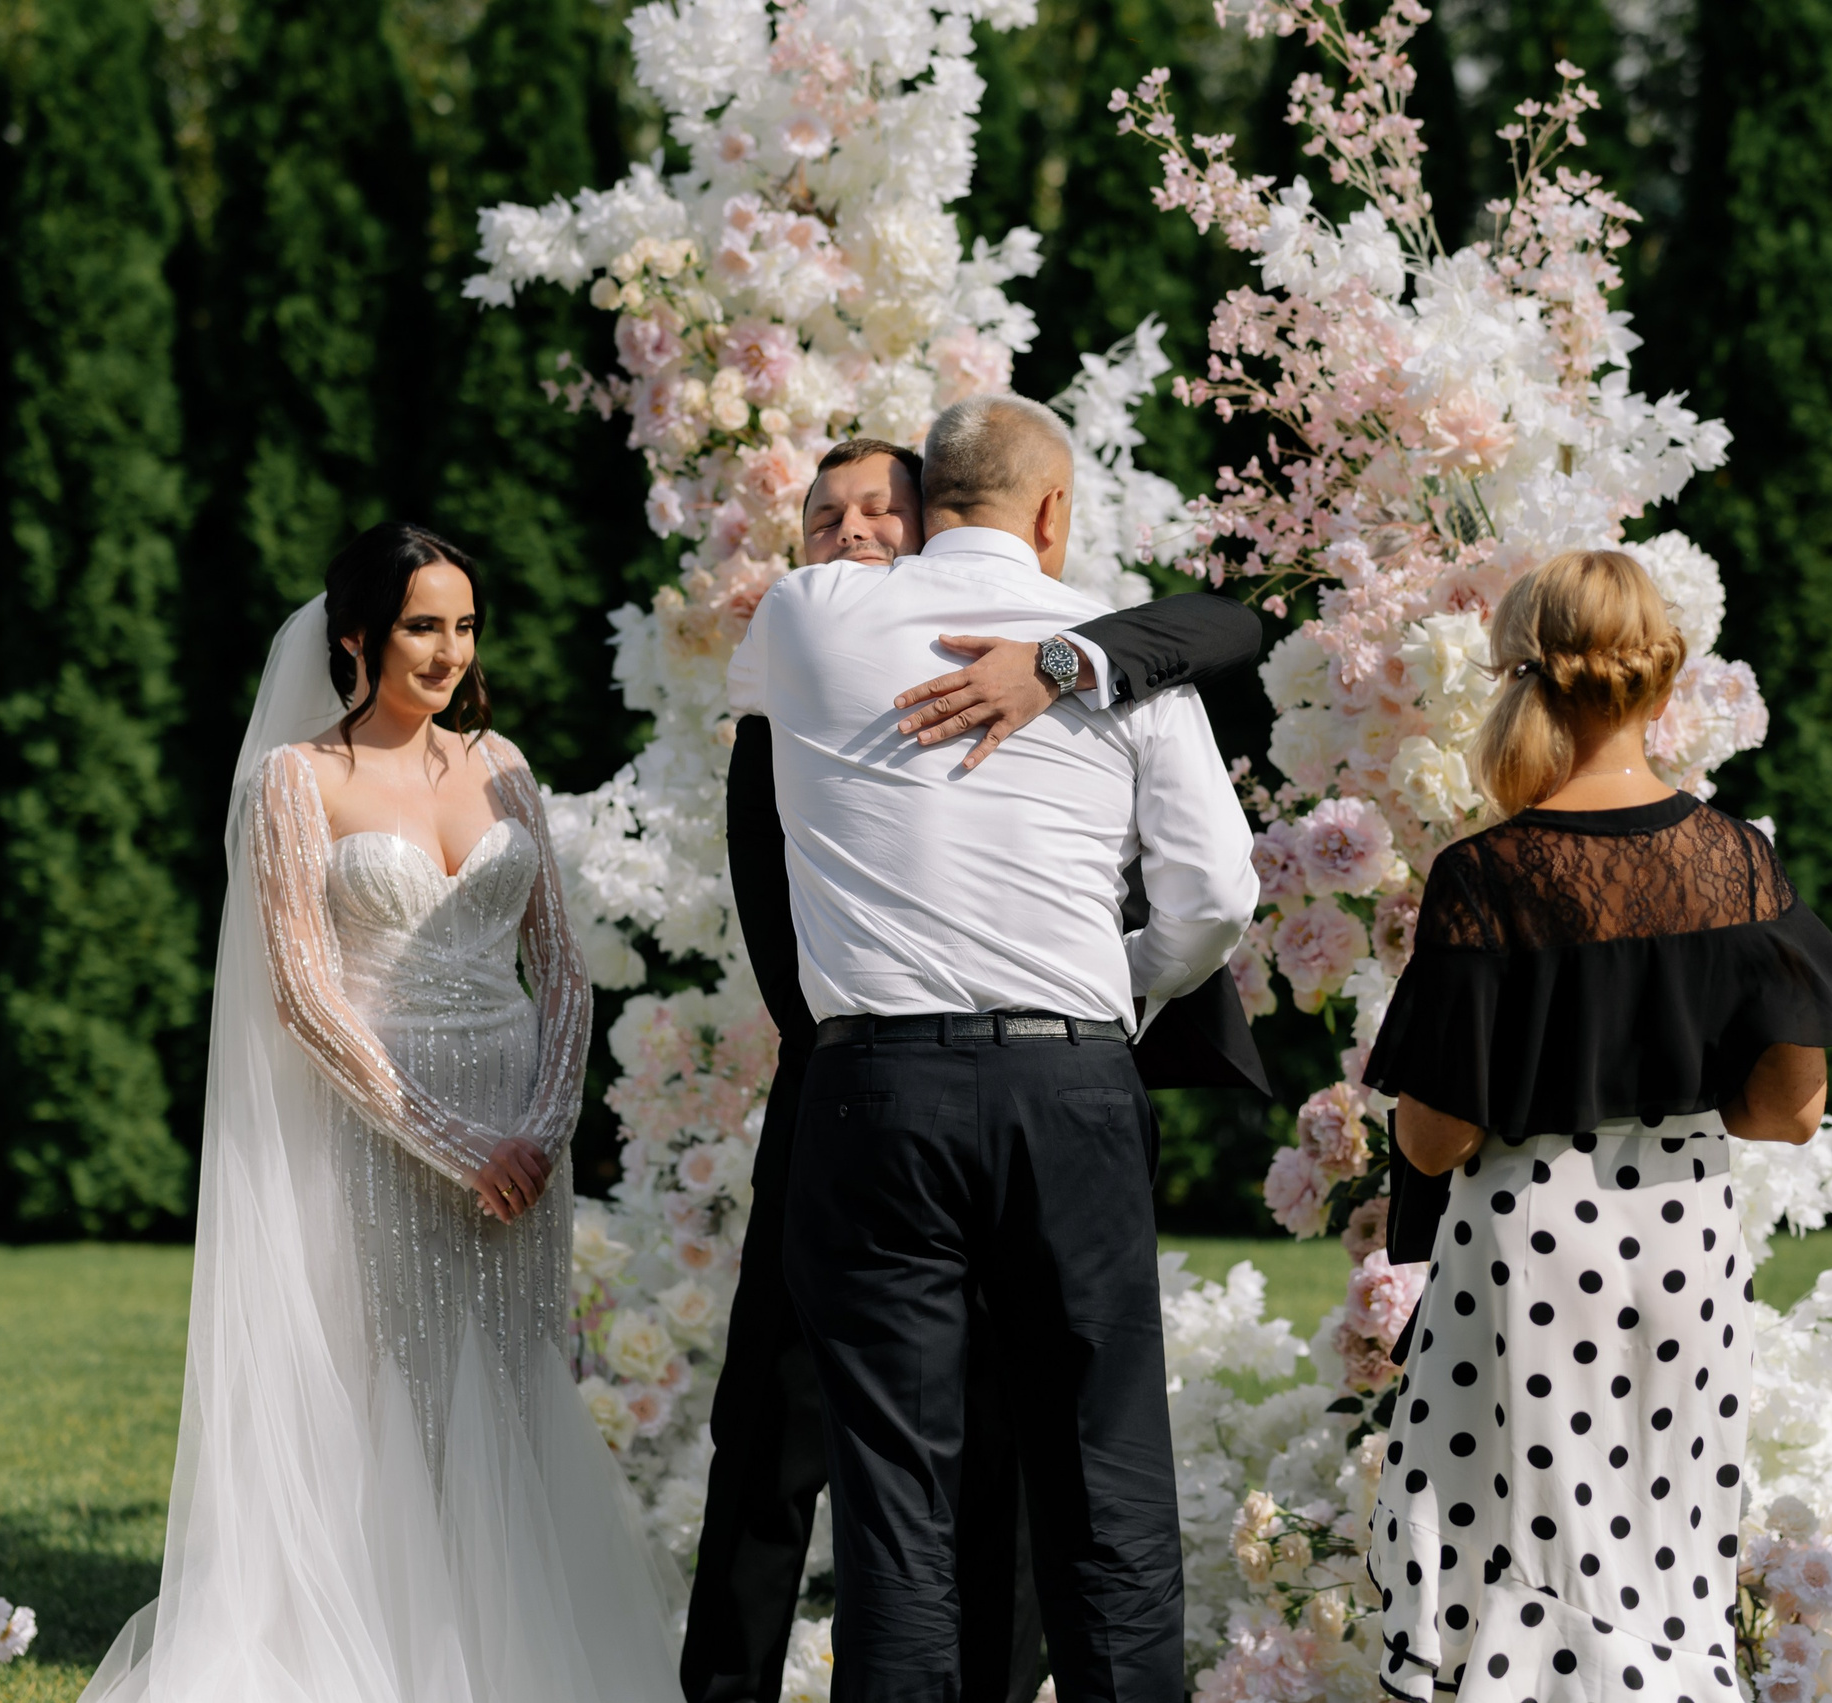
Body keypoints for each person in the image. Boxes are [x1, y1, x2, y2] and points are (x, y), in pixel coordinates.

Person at [687, 438, 1269, 1703]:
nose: (848, 533)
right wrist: (1119, 978)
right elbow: (1219, 888)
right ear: (1054, 508)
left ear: (920, 507)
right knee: (1107, 1476)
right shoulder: (1120, 656)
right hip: (1068, 1084)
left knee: (897, 1504)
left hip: (876, 1089)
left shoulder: (805, 613)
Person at [82, 524, 682, 1703]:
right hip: (387, 1130)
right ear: (357, 635)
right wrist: (459, 1147)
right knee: (396, 1386)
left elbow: (562, 967)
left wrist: (544, 1126)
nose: (449, 649)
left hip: (521, 1132)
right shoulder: (297, 779)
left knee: (509, 1386)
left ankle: (512, 1657)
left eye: (464, 625)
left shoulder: (501, 761)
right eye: (422, 624)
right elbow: (304, 994)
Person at [1357, 550, 1832, 1699]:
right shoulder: (1737, 862)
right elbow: (1793, 1108)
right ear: (1661, 680)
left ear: (1522, 679)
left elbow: (1435, 1140)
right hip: (1682, 1245)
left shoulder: (1485, 876)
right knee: (1662, 1554)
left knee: (1524, 1551)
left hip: (1532, 1249)